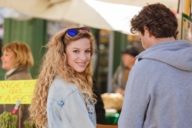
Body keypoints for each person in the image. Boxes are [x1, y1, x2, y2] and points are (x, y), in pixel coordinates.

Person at [118, 3, 192, 128]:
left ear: (147, 30)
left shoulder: (145, 67)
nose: (140, 40)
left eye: (140, 34)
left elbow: (129, 123)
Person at [29, 26, 97, 128]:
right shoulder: (70, 90)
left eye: (87, 51)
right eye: (76, 51)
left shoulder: (57, 81)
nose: (83, 57)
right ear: (62, 53)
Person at [0, 41, 34, 128]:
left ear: (18, 57)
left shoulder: (13, 81)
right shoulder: (26, 76)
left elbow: (10, 119)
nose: (2, 58)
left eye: (6, 55)